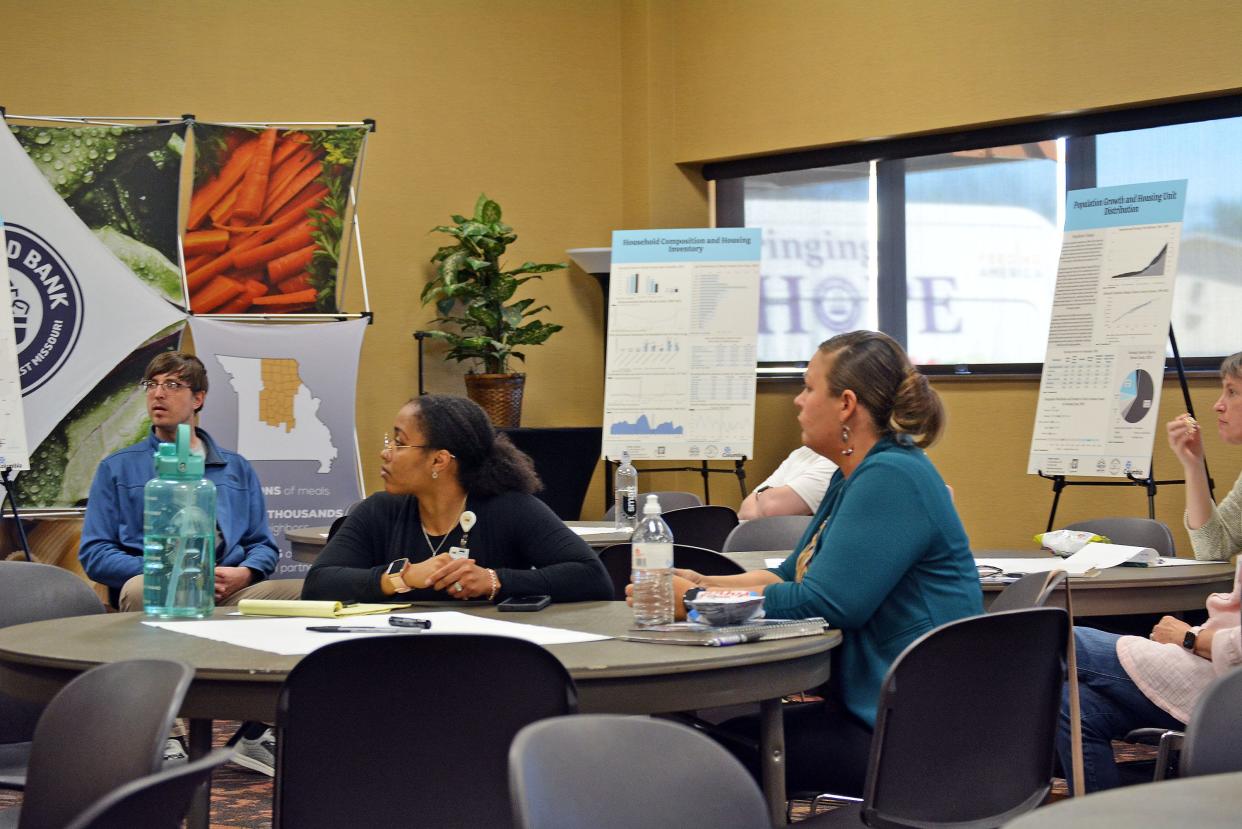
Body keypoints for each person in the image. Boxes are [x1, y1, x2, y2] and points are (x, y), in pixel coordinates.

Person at [649, 330, 982, 796]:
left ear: (846, 404)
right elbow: (791, 575)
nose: (797, 401)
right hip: (888, 711)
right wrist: (704, 580)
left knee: (697, 756)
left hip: (913, 735)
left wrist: (699, 601)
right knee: (708, 742)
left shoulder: (891, 476)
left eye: (808, 387)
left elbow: (826, 602)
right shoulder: (858, 474)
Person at [78, 350, 298, 775]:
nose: (158, 394)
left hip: (228, 586)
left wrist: (245, 573)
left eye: (172, 385)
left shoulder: (235, 468)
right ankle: (167, 735)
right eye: (152, 385)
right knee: (144, 591)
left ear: (198, 398)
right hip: (158, 583)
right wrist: (169, 570)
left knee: (305, 593)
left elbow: (262, 545)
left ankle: (255, 731)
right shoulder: (118, 468)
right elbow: (96, 554)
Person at [1057, 353, 1242, 793]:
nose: (1218, 404)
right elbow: (1214, 546)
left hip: (1224, 676)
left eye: (1232, 392)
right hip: (1214, 662)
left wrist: (1190, 638)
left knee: (1056, 638)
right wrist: (1192, 464)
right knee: (1072, 707)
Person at [303, 394, 613, 603]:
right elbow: (319, 584)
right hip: (394, 657)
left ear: (439, 461)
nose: (386, 453)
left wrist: (494, 580)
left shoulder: (508, 508)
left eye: (399, 443)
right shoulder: (380, 510)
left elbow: (592, 577)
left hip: (487, 660)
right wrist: (404, 577)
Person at [737, 446, 837, 519]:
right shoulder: (801, 452)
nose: (800, 418)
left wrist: (761, 499)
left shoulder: (836, 459)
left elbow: (771, 507)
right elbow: (745, 511)